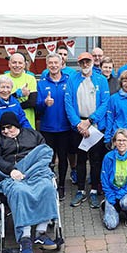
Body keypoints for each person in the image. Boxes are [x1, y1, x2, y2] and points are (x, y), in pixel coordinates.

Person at [0, 112, 58, 253]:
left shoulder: (33, 135)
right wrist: (10, 169)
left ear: (17, 125)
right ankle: (25, 237)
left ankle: (40, 232)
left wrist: (32, 168)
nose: (6, 131)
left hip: (35, 172)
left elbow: (44, 153)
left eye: (9, 127)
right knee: (20, 192)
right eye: (2, 128)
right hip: (12, 175)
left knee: (48, 187)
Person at [86, 69, 127, 208]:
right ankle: (112, 195)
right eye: (125, 81)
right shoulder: (114, 98)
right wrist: (108, 138)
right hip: (118, 138)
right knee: (115, 166)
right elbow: (110, 118)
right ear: (121, 83)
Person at [61, 52, 110, 200]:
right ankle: (81, 190)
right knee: (80, 159)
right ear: (79, 63)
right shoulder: (72, 80)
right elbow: (68, 103)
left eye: (88, 61)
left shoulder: (101, 80)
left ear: (92, 61)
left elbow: (105, 102)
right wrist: (78, 124)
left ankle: (94, 190)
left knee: (95, 160)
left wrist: (90, 121)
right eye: (82, 62)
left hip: (95, 125)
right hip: (78, 127)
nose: (85, 64)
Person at [35, 54, 73, 200]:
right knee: (48, 160)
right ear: (47, 65)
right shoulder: (42, 83)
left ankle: (62, 185)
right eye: (50, 63)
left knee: (63, 158)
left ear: (61, 63)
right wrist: (44, 103)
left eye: (56, 62)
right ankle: (49, 185)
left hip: (65, 127)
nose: (53, 65)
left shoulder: (69, 81)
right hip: (47, 128)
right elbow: (37, 107)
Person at [100, 129, 127, 230]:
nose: (121, 143)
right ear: (114, 142)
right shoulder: (108, 157)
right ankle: (110, 205)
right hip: (112, 192)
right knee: (111, 225)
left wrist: (119, 195)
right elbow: (104, 179)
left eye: (124, 140)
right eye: (118, 140)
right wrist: (111, 196)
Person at [2, 51, 38, 126]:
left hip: (27, 123)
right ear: (9, 64)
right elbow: (0, 102)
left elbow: (32, 102)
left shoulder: (31, 79)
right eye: (14, 62)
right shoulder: (1, 79)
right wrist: (19, 94)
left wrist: (11, 105)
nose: (17, 65)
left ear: (24, 65)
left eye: (20, 63)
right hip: (7, 125)